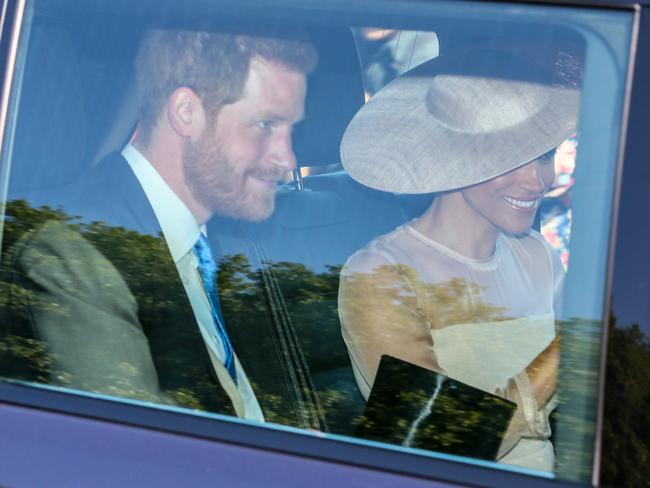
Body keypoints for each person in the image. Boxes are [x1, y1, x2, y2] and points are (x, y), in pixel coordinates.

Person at [0, 28, 321, 427]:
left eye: (293, 129)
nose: (287, 157)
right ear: (186, 112)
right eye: (265, 125)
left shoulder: (234, 242)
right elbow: (136, 458)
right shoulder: (69, 255)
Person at [338, 47, 581, 471]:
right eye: (510, 158)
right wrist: (576, 343)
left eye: (543, 154)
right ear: (453, 157)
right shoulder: (380, 275)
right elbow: (439, 444)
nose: (541, 179)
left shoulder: (537, 256)